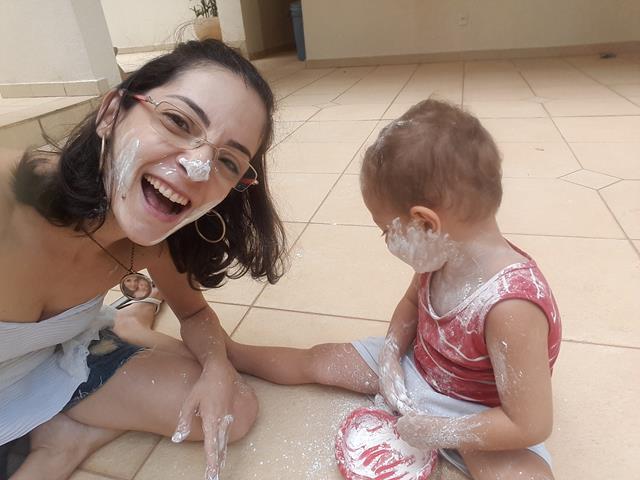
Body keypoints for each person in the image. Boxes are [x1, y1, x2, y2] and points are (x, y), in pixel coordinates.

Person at [225, 100, 562, 479]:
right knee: (320, 360)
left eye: (387, 230)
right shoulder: (441, 255)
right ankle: (234, 353)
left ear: (426, 224)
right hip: (416, 367)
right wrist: (389, 355)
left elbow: (530, 424)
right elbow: (410, 305)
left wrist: (441, 430)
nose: (386, 240)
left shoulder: (511, 307)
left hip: (476, 412)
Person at [0, 39, 286, 480]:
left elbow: (194, 314)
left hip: (48, 364)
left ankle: (68, 433)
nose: (198, 167)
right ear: (111, 112)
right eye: (178, 121)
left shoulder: (159, 240)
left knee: (233, 409)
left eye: (228, 162)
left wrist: (217, 368)